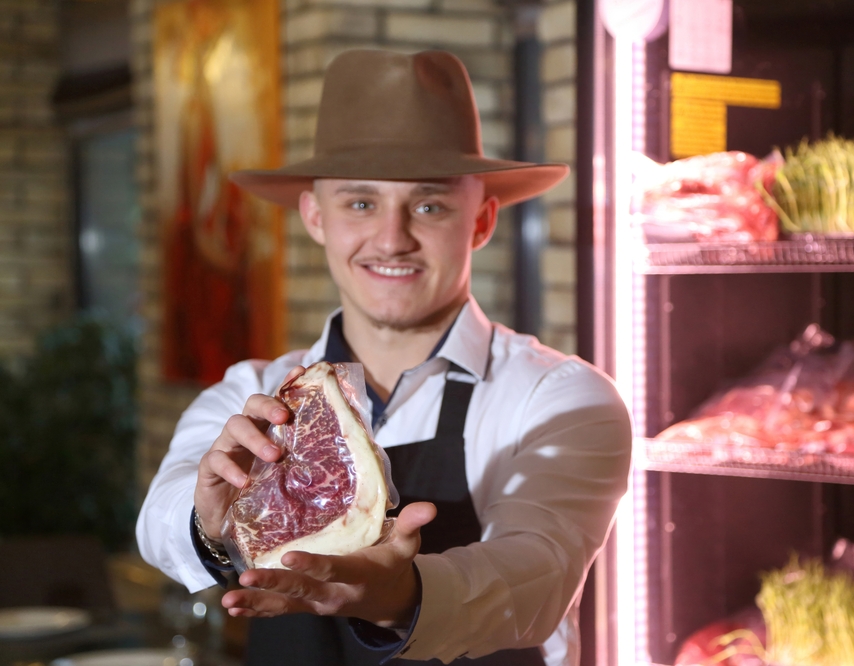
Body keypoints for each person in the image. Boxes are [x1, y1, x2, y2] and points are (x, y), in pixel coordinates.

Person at [137, 49, 632, 666]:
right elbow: (159, 518)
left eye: (430, 205)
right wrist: (208, 519)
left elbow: (537, 574)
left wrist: (399, 594)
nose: (393, 238)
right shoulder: (251, 389)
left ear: (480, 221)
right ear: (316, 216)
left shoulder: (560, 396)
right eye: (361, 203)